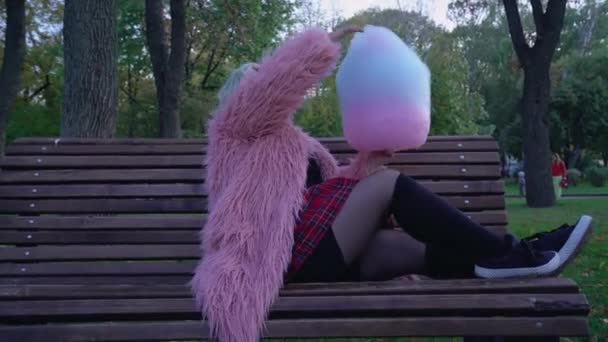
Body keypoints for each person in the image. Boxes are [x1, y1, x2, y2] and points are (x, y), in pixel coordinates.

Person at [191, 27, 594, 342]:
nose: (268, 89)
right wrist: (324, 43)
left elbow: (329, 199)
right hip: (277, 260)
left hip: (320, 252)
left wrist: (366, 163)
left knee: (416, 251)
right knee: (389, 185)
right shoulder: (232, 131)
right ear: (239, 97)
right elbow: (269, 94)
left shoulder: (296, 146)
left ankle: (512, 289)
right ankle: (515, 252)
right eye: (258, 84)